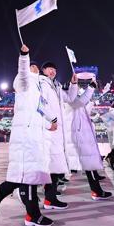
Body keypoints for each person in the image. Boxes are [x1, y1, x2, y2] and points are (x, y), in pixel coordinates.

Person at [0, 44, 57, 226]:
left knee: (25, 173)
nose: (34, 68)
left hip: (35, 132)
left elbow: (40, 110)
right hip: (25, 134)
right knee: (30, 174)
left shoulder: (37, 88)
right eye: (32, 66)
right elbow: (24, 73)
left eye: (35, 66)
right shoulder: (23, 79)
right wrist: (24, 56)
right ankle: (32, 215)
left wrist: (51, 122)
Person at [64, 74, 112, 200]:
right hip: (78, 137)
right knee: (86, 165)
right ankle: (96, 191)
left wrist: (92, 87)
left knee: (89, 166)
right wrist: (90, 88)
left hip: (82, 136)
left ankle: (97, 191)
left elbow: (85, 101)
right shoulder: (69, 101)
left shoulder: (75, 101)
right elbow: (81, 101)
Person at [39, 60, 79, 210]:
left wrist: (73, 84)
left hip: (57, 131)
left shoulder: (56, 85)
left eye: (54, 69)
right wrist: (49, 123)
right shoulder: (42, 84)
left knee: (55, 166)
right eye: (49, 69)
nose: (52, 71)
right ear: (43, 71)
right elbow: (40, 105)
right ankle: (48, 198)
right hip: (49, 130)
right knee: (50, 165)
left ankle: (50, 198)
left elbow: (70, 98)